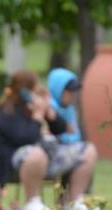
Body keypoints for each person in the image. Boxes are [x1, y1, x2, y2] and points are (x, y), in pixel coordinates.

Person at [0, 70, 71, 210]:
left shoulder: (32, 106)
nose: (35, 93)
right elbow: (24, 138)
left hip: (44, 158)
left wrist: (50, 113)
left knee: (82, 151)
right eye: (34, 89)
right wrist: (37, 117)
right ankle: (32, 201)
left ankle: (72, 201)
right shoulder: (6, 110)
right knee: (37, 153)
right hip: (13, 162)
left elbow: (61, 129)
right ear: (24, 89)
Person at [47, 68, 98, 202]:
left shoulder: (69, 109)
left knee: (85, 154)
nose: (73, 94)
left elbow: (75, 135)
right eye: (69, 90)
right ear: (58, 88)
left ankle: (72, 200)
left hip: (66, 150)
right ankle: (74, 201)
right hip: (49, 155)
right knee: (86, 153)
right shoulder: (48, 107)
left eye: (75, 90)